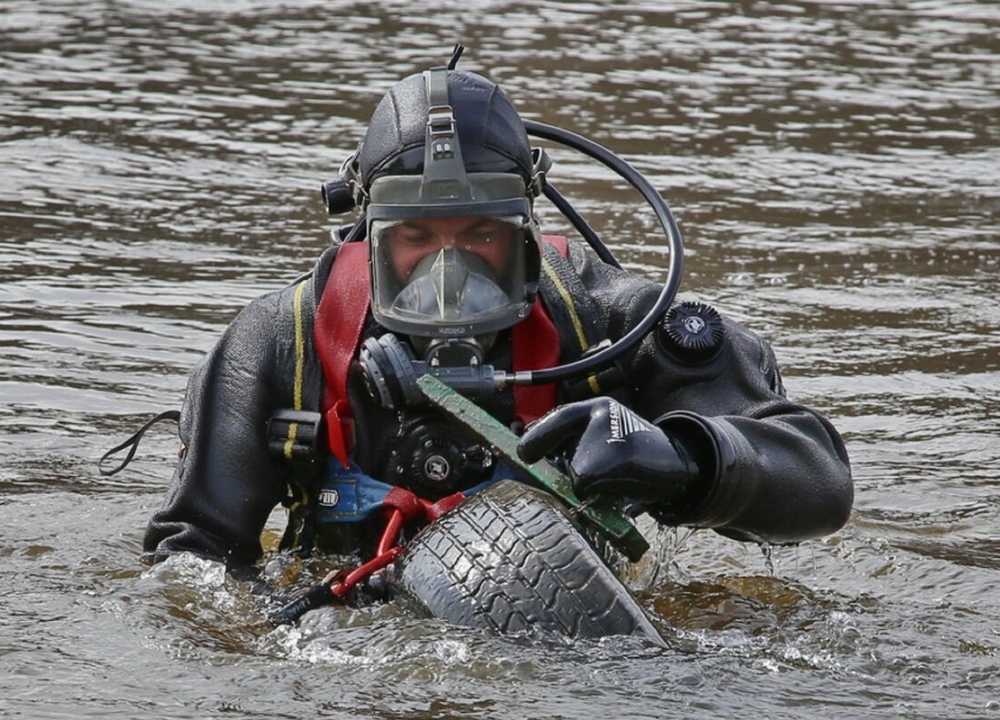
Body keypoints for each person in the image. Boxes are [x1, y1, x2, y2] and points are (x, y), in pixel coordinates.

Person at [142, 53, 853, 581]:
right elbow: (194, 557)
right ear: (369, 236)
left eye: (480, 236)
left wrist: (680, 461)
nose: (448, 271)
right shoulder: (280, 344)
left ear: (524, 231)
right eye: (416, 239)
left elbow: (819, 483)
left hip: (566, 622)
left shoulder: (610, 322)